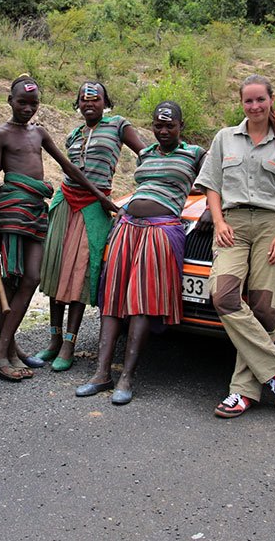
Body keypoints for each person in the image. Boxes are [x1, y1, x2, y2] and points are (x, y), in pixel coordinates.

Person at [0, 76, 117, 380]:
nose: (28, 108)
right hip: (11, 210)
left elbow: (69, 167)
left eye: (33, 104)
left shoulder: (39, 133)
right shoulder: (0, 134)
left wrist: (99, 196)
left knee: (32, 278)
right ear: (10, 101)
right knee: (12, 281)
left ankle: (2, 351)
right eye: (22, 102)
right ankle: (5, 351)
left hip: (35, 210)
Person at [76, 102, 205, 404]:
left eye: (169, 125)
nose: (162, 131)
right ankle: (101, 372)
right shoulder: (145, 154)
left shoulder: (196, 154)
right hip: (127, 227)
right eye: (158, 126)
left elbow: (219, 181)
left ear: (180, 126)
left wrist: (212, 207)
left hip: (161, 230)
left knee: (141, 302)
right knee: (112, 299)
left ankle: (127, 377)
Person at [195, 75, 275, 419]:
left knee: (264, 305)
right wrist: (220, 221)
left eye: (260, 100)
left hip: (271, 225)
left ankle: (242, 392)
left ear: (272, 100)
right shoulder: (225, 137)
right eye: (248, 101)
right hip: (233, 224)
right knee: (223, 295)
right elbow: (211, 185)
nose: (255, 106)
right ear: (241, 103)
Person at [37, 81, 145, 371]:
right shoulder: (74, 134)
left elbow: (145, 155)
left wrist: (148, 190)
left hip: (95, 207)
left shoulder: (119, 126)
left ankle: (69, 345)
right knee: (56, 268)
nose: (89, 104)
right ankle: (53, 341)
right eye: (83, 100)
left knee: (81, 273)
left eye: (95, 99)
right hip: (64, 202)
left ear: (105, 102)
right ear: (77, 104)